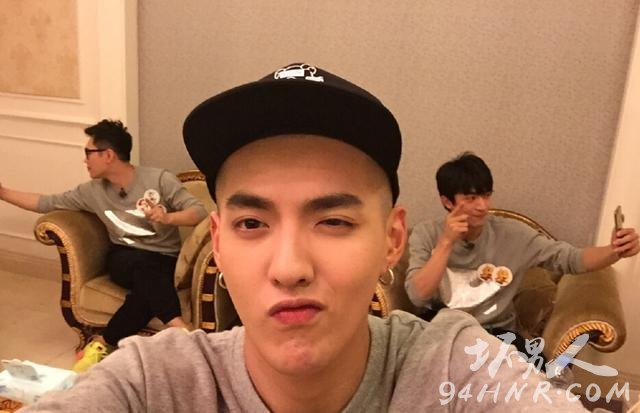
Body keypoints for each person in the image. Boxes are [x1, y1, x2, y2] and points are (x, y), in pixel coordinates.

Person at [22, 64, 590, 411]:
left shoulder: (454, 367)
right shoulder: (158, 380)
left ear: (391, 239)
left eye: (334, 221)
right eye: (251, 223)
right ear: (218, 241)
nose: (289, 267)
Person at [0, 119, 208, 372]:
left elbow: (198, 211)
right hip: (124, 258)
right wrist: (3, 192)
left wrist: (168, 218)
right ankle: (180, 329)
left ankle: (103, 342)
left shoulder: (159, 180)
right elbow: (45, 203)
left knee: (145, 291)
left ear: (108, 155)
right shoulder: (91, 191)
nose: (85, 160)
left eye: (88, 152)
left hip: (164, 258)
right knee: (145, 269)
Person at [405, 152, 639, 354]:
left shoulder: (512, 234)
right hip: (445, 330)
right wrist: (446, 243)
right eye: (471, 198)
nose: (483, 206)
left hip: (496, 333)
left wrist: (615, 251)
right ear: (447, 202)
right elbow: (418, 295)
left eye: (486, 195)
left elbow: (570, 259)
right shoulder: (426, 234)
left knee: (539, 374)